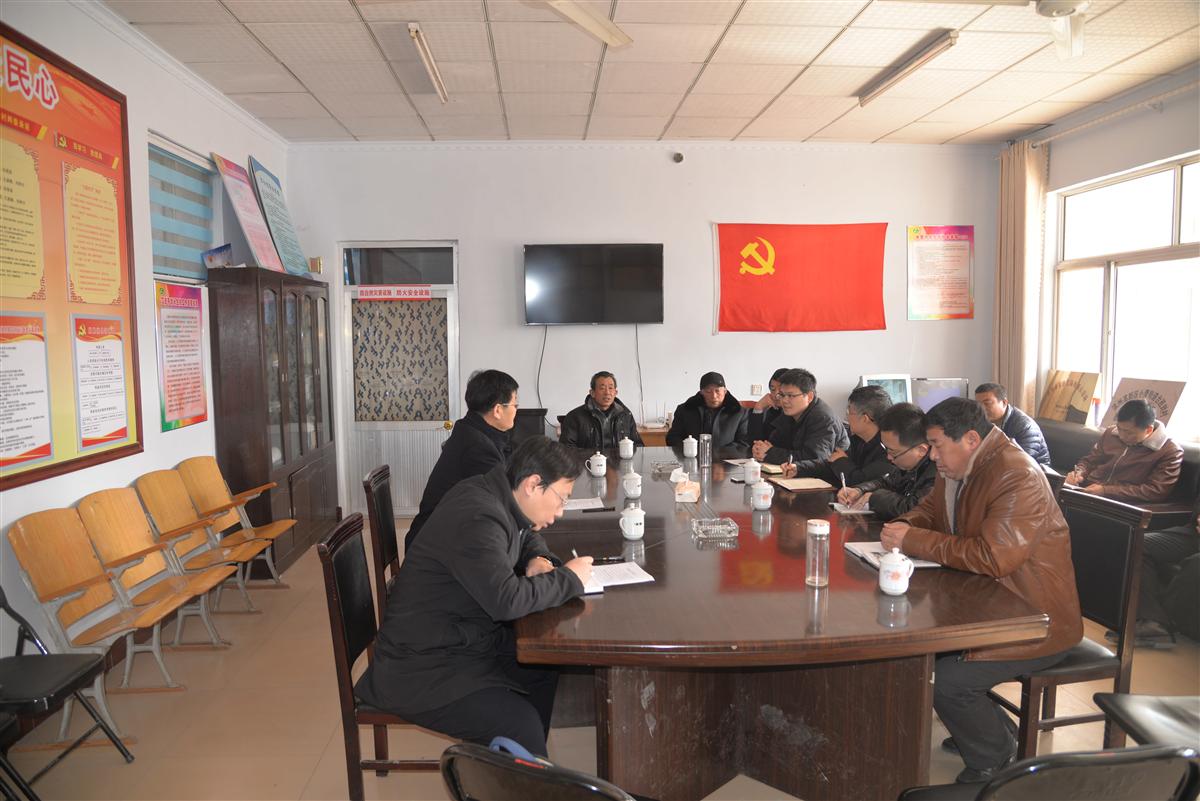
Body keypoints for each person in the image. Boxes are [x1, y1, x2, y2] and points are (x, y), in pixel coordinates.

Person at [881, 398, 1082, 784]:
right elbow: (931, 512)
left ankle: (995, 758)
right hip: (983, 601)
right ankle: (990, 729)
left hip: (1032, 619)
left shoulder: (1017, 474)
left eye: (937, 445)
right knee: (910, 651)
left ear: (971, 439)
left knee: (947, 681)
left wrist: (914, 540)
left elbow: (994, 557)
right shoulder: (956, 464)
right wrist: (902, 527)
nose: (932, 455)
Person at [356, 437, 594, 757]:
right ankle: (517, 760)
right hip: (422, 665)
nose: (561, 511)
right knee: (518, 723)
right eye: (562, 498)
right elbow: (506, 601)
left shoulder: (495, 493)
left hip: (462, 638)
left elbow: (524, 534)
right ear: (532, 485)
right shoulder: (478, 515)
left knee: (543, 667)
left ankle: (522, 762)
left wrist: (537, 558)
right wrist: (569, 579)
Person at [405, 369, 518, 552]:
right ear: (498, 410)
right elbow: (504, 502)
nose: (516, 411)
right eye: (515, 405)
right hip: (435, 545)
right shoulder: (478, 447)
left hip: (436, 533)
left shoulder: (470, 431)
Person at [1112, 497, 1200, 649]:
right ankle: (1153, 621)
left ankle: (1172, 623)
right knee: (1137, 544)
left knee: (1195, 564)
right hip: (1195, 533)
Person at [1065, 399, 1183, 502]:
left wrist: (1106, 491)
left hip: (1120, 503)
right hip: (1086, 490)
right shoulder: (1111, 433)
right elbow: (1089, 461)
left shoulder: (1169, 451)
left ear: (1148, 430)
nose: (1121, 436)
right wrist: (1079, 472)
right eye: (1119, 428)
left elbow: (1155, 491)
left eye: (1128, 432)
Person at [836, 402, 937, 519]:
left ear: (921, 450)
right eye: (885, 448)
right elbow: (887, 482)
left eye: (893, 452)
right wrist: (859, 490)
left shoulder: (937, 473)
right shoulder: (908, 466)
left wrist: (874, 498)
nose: (888, 457)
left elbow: (915, 509)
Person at [784, 384, 890, 486]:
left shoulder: (888, 448)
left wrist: (841, 461)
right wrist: (799, 468)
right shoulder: (859, 440)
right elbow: (832, 464)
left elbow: (859, 481)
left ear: (864, 418)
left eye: (849, 412)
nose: (846, 417)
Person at [750, 368, 848, 470]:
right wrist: (760, 449)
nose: (784, 401)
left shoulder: (822, 419)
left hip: (829, 476)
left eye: (790, 395)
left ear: (809, 396)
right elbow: (774, 444)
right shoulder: (789, 412)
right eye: (782, 395)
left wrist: (769, 452)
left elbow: (814, 459)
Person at [559, 371, 643, 451]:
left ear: (615, 392)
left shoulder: (625, 415)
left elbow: (638, 446)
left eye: (610, 388)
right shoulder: (575, 417)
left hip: (620, 461)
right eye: (602, 388)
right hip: (587, 461)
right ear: (592, 393)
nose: (607, 392)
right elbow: (566, 449)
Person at [666, 371, 749, 449]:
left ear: (725, 391)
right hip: (691, 457)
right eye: (708, 391)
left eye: (717, 391)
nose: (714, 396)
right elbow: (672, 438)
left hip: (727, 458)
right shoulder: (685, 410)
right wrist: (690, 449)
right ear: (701, 392)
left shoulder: (739, 413)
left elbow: (744, 443)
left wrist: (720, 453)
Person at [974, 382, 1050, 466]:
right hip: (1001, 468)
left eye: (987, 403)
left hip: (1033, 471)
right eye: (978, 404)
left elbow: (1023, 462)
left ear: (1004, 402)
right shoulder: (981, 421)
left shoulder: (1025, 426)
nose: (981, 408)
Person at [747, 367, 789, 441]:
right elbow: (755, 442)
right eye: (773, 389)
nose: (776, 394)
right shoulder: (773, 411)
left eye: (781, 389)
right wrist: (758, 407)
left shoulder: (797, 413)